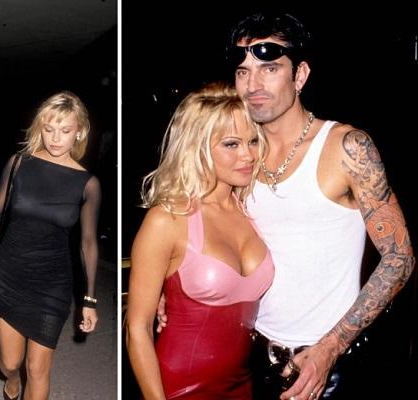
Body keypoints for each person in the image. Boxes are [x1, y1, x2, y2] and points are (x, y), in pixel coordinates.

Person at [159, 12, 415, 400]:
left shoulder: (346, 147)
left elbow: (400, 257)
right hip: (248, 355)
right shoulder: (240, 157)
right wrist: (171, 286)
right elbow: (198, 227)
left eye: (270, 69)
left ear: (300, 75)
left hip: (325, 367)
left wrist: (330, 349)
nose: (253, 85)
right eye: (243, 72)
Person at [126, 82, 275, 399]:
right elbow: (137, 329)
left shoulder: (254, 207)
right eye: (231, 144)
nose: (248, 155)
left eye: (253, 141)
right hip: (179, 387)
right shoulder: (168, 220)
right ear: (198, 146)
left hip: (242, 385)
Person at [0, 91, 101, 400]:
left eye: (65, 130)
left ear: (79, 132)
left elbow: (88, 243)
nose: (56, 138)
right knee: (10, 362)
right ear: (40, 128)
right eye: (49, 129)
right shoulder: (19, 164)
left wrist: (89, 299)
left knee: (37, 368)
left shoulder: (87, 184)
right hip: (10, 273)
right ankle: (11, 379)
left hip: (52, 284)